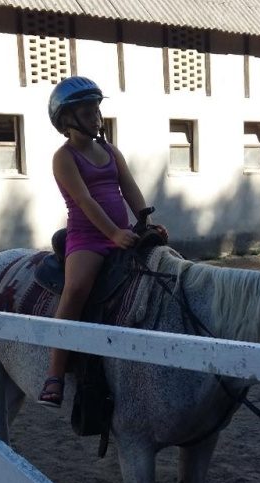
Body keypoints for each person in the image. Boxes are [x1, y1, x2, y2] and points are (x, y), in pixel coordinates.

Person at [37, 76, 163, 407]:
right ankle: (55, 374)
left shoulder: (109, 150)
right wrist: (113, 234)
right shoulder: (64, 157)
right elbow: (84, 200)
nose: (96, 118)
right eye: (87, 112)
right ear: (66, 119)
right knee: (76, 289)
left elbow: (129, 186)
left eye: (96, 110)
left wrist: (145, 222)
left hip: (121, 232)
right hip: (88, 238)